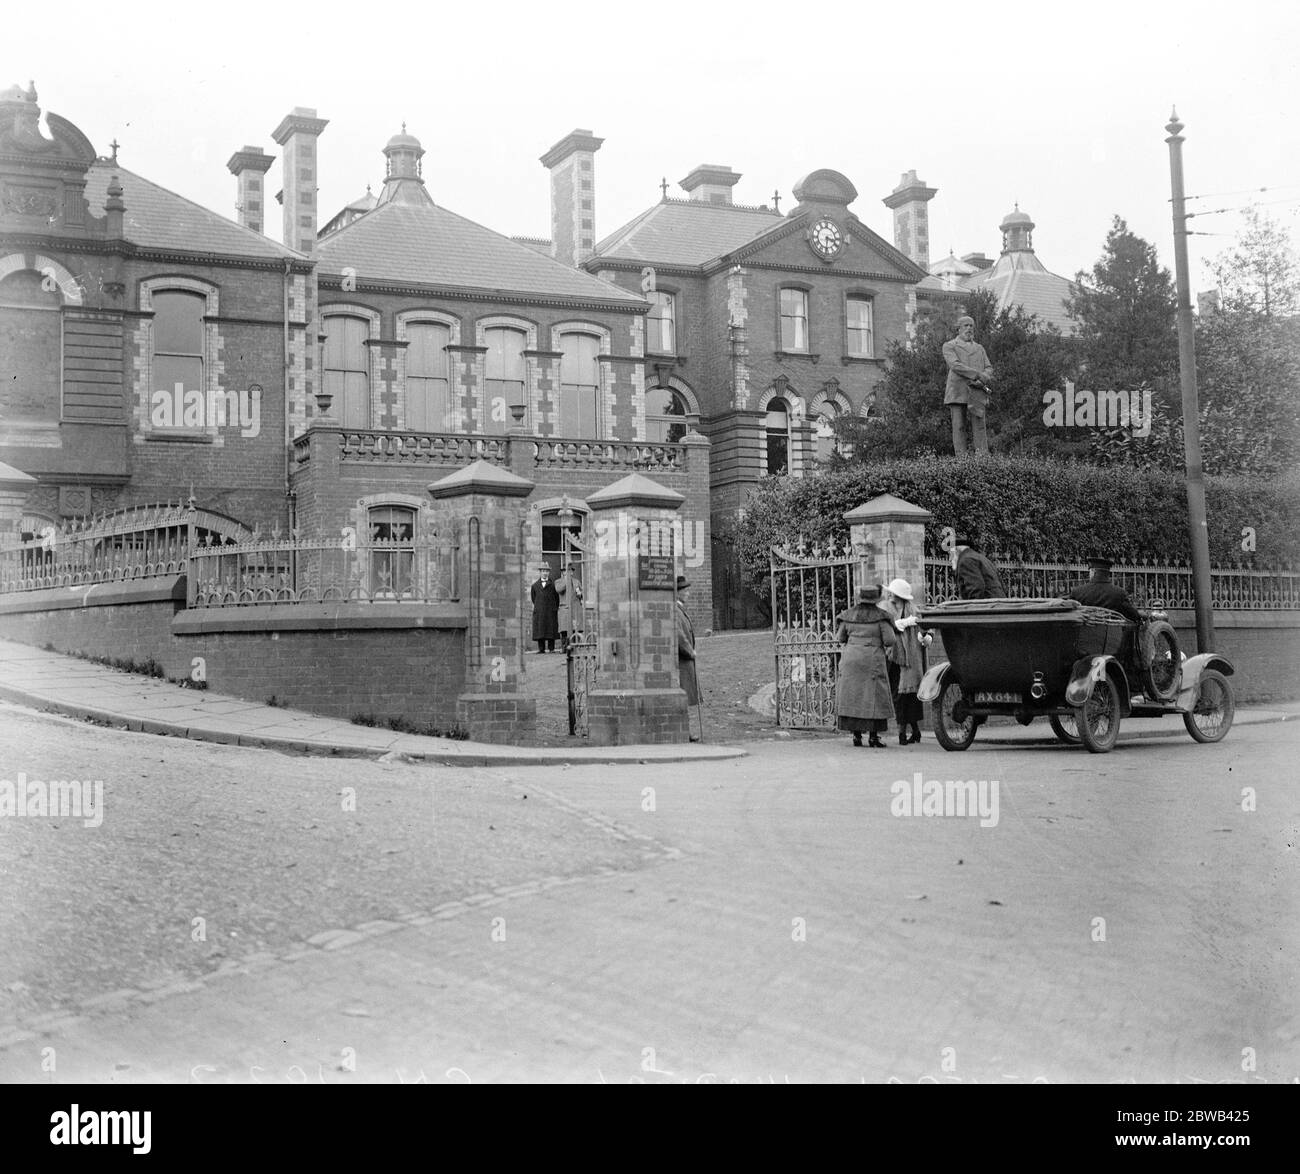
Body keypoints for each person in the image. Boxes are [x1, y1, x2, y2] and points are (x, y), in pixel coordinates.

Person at [834, 584, 897, 748]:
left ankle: (856, 736)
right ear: (876, 599)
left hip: (851, 659)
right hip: (872, 660)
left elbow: (840, 638)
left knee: (854, 695)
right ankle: (873, 737)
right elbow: (890, 640)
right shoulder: (882, 618)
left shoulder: (848, 616)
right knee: (873, 696)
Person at [884, 577, 931, 745]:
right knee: (899, 695)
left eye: (892, 593)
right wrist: (901, 623)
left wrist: (927, 637)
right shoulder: (886, 608)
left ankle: (904, 733)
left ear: (899, 596)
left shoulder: (913, 610)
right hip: (894, 657)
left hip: (911, 658)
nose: (889, 594)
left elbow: (926, 628)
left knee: (908, 696)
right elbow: (887, 627)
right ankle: (911, 732)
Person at [943, 315, 994, 455]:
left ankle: (983, 460)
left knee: (979, 427)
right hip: (957, 391)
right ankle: (962, 461)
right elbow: (955, 365)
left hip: (977, 391)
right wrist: (978, 374)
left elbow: (989, 368)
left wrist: (983, 378)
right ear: (958, 329)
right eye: (966, 325)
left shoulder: (979, 348)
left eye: (971, 326)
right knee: (958, 427)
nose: (969, 328)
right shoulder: (949, 346)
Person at [1066, 556, 1142, 623]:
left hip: (1083, 636)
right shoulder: (1119, 594)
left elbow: (1069, 613)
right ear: (1107, 573)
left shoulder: (1077, 592)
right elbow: (1133, 615)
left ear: (1093, 572)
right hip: (1111, 637)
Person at [675, 575, 701, 739]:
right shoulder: (675, 611)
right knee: (683, 695)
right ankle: (685, 732)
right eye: (685, 590)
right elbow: (679, 635)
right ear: (677, 593)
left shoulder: (680, 610)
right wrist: (690, 651)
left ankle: (686, 731)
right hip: (682, 661)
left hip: (685, 660)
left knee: (685, 695)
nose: (687, 594)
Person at [530, 564, 560, 653]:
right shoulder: (534, 586)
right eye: (543, 571)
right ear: (540, 572)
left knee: (551, 628)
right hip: (539, 611)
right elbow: (533, 599)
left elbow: (556, 599)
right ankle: (541, 649)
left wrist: (554, 608)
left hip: (550, 611)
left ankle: (551, 648)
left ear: (549, 572)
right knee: (540, 629)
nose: (545, 573)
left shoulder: (553, 585)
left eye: (546, 571)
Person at [556, 561, 583, 645]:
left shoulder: (577, 582)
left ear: (572, 572)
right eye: (566, 570)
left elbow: (581, 594)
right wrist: (566, 580)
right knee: (564, 630)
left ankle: (576, 646)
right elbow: (559, 590)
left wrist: (580, 594)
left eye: (570, 570)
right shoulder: (558, 581)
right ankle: (565, 648)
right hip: (565, 609)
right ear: (563, 572)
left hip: (575, 609)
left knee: (576, 629)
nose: (568, 572)